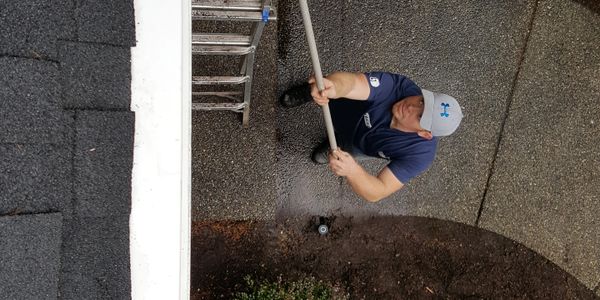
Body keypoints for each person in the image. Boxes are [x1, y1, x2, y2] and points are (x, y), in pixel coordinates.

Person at [280, 71, 463, 203]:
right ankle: (311, 91)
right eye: (421, 101)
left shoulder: (420, 156)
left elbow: (379, 191)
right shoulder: (400, 87)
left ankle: (335, 146)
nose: (410, 106)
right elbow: (353, 82)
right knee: (324, 88)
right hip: (341, 104)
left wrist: (352, 171)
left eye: (419, 116)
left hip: (362, 145)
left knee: (348, 151)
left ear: (425, 134)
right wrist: (335, 86)